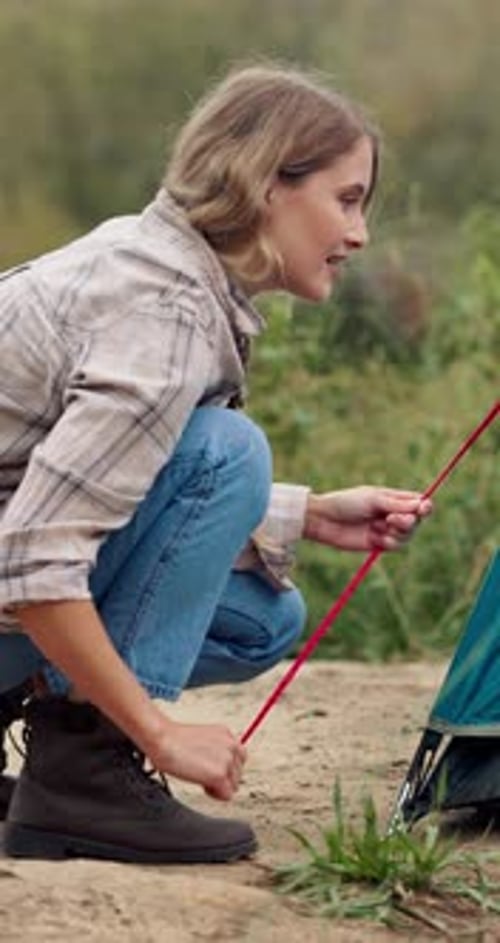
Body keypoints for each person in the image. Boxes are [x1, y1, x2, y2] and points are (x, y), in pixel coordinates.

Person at [0, 63, 431, 864]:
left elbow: (64, 481)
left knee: (262, 619)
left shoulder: (160, 269)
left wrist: (303, 513)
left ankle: (61, 745)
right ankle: (83, 774)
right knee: (229, 451)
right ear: (268, 182)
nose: (360, 233)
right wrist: (160, 732)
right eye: (346, 199)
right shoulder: (162, 309)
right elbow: (30, 557)